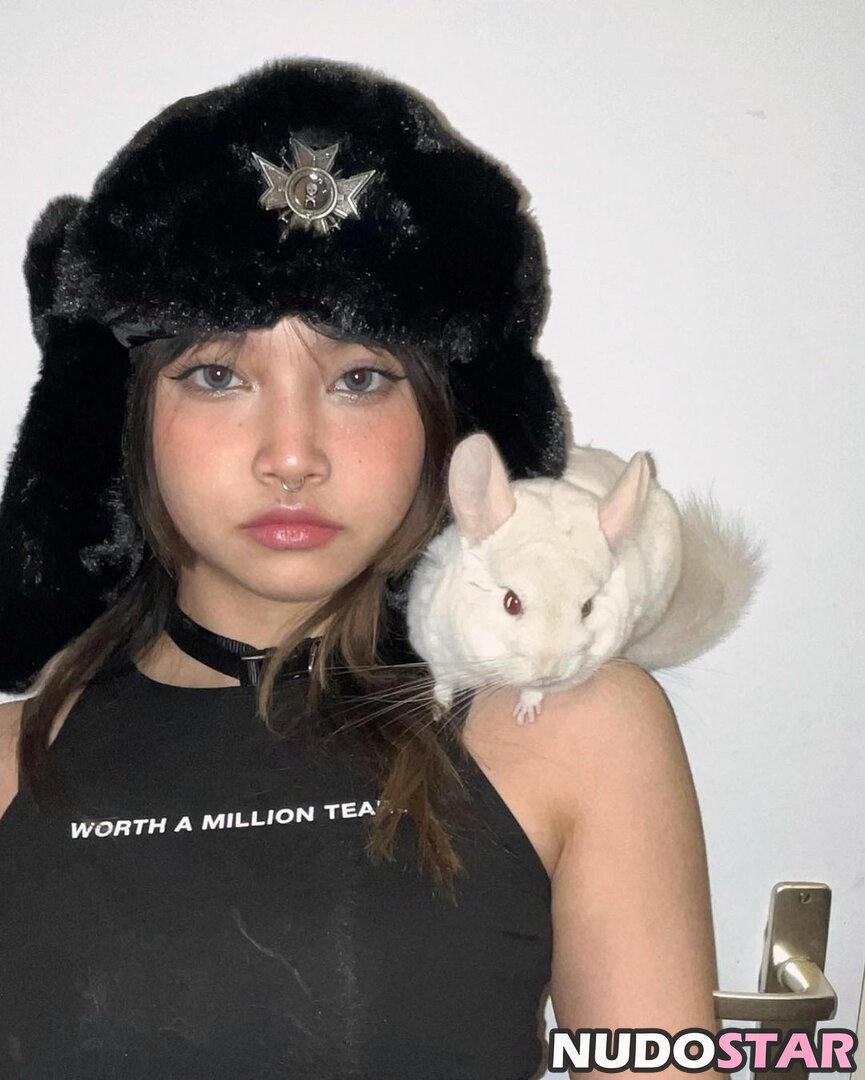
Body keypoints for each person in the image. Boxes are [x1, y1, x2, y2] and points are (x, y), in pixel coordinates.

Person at [0, 57, 720, 1078]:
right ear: (130, 418)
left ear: (444, 420)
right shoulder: (11, 766)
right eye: (218, 374)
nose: (291, 455)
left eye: (360, 378)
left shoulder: (573, 732)